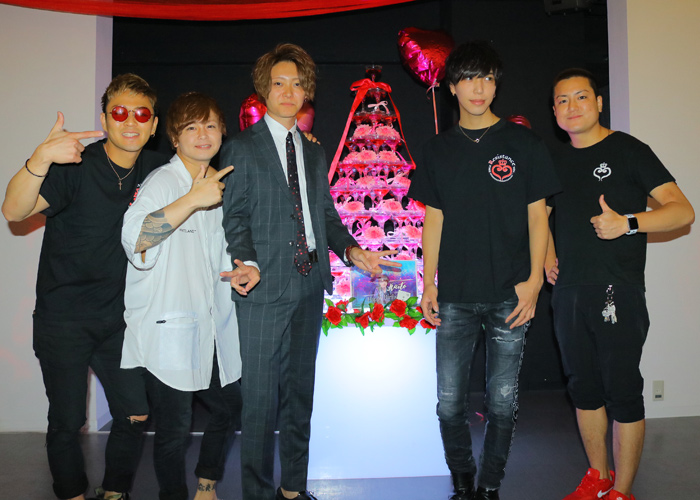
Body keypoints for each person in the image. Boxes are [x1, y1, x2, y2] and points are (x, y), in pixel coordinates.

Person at [219, 43, 399, 500]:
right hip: (261, 289)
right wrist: (247, 260)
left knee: (299, 397)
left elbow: (327, 218)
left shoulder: (314, 152)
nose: (288, 91)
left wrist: (354, 251)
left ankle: (293, 489)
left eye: (297, 84)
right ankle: (257, 494)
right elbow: (234, 217)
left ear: (307, 93)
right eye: (279, 83)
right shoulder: (240, 147)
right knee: (259, 405)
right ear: (264, 90)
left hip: (308, 285)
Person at [1, 74, 165, 500]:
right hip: (63, 319)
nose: (130, 121)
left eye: (141, 114)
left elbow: (206, 155)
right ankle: (72, 493)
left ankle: (114, 491)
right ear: (105, 119)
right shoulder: (73, 165)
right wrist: (40, 158)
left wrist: (299, 139)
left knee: (134, 413)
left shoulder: (158, 171)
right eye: (120, 112)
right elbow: (14, 211)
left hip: (120, 320)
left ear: (153, 125)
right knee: (67, 421)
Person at [409, 41, 560, 500]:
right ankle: (463, 482)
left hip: (510, 294)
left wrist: (534, 282)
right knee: (449, 405)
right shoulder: (437, 150)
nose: (479, 88)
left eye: (488, 78)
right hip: (454, 295)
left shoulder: (524, 144)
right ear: (452, 87)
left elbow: (539, 216)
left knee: (502, 404)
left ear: (497, 85)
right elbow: (433, 219)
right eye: (470, 79)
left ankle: (490, 486)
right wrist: (428, 282)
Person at [546, 68, 694, 500]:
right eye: (562, 100)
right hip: (569, 292)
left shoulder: (629, 150)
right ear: (554, 111)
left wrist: (628, 222)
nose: (572, 106)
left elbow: (682, 211)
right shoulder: (553, 161)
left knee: (622, 390)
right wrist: (548, 256)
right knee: (583, 389)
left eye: (581, 97)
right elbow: (542, 217)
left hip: (618, 290)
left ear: (599, 103)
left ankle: (622, 491)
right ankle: (598, 477)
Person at [121, 92, 254, 500]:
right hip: (170, 327)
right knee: (174, 429)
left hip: (211, 324)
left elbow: (229, 246)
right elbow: (136, 239)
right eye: (191, 127)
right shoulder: (163, 182)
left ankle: (207, 484)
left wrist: (242, 268)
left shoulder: (223, 183)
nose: (203, 134)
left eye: (210, 125)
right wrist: (192, 199)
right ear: (174, 138)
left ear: (222, 133)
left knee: (230, 406)